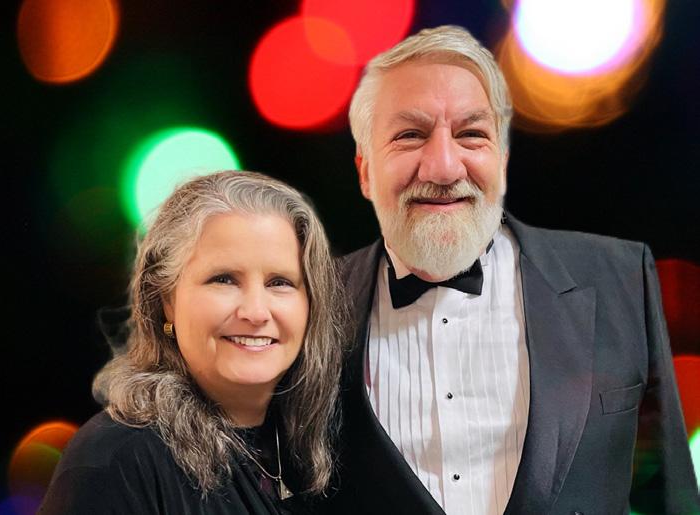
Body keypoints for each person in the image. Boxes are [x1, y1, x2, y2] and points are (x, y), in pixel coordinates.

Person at [326, 25, 700, 515]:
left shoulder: (620, 278)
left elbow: (669, 497)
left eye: (471, 134)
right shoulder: (313, 303)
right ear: (365, 171)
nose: (444, 167)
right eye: (410, 135)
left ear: (501, 161)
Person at [39, 171, 345, 514]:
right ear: (166, 299)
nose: (256, 312)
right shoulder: (115, 461)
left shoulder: (324, 454)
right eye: (224, 279)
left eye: (280, 282)